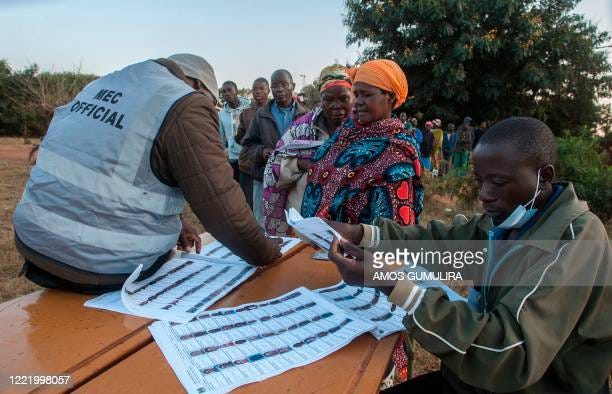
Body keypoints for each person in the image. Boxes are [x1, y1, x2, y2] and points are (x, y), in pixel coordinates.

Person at [325, 117, 612, 393]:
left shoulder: (574, 243)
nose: (485, 194)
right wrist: (362, 234)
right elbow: (441, 246)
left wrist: (392, 284)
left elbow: (509, 354)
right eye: (480, 181)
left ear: (544, 176)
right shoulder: (510, 219)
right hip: (472, 382)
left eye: (498, 183)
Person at [12, 54, 281, 294]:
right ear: (199, 86)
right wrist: (268, 252)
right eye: (211, 103)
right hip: (100, 264)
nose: (210, 111)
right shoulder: (185, 101)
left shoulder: (107, 84)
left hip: (33, 240)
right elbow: (222, 208)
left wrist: (173, 221)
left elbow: (111, 169)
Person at [301, 59, 424, 227]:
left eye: (366, 95)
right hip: (319, 241)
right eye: (356, 94)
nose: (358, 102)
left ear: (390, 97)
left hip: (360, 249)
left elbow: (394, 228)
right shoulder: (345, 134)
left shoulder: (397, 150)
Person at [262, 64, 353, 236]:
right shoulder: (301, 129)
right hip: (303, 222)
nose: (336, 105)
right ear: (320, 99)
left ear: (353, 97)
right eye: (328, 99)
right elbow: (273, 166)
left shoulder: (362, 131)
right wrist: (302, 163)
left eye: (343, 98)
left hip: (346, 223)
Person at [241, 70, 308, 225]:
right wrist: (262, 152)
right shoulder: (261, 115)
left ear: (293, 86)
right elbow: (247, 145)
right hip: (264, 178)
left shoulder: (306, 115)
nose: (279, 89)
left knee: (294, 224)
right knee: (264, 224)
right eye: (275, 86)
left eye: (284, 84)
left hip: (295, 181)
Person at [235, 78, 270, 209]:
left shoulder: (275, 110)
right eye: (255, 89)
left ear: (268, 90)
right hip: (248, 165)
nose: (258, 91)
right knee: (249, 203)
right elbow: (240, 138)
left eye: (262, 88)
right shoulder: (246, 113)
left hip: (269, 165)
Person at [219, 80, 251, 183]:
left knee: (249, 190)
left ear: (236, 91)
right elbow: (221, 138)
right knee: (237, 189)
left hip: (249, 155)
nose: (226, 93)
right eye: (224, 92)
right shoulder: (221, 114)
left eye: (229, 90)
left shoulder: (249, 108)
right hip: (233, 157)